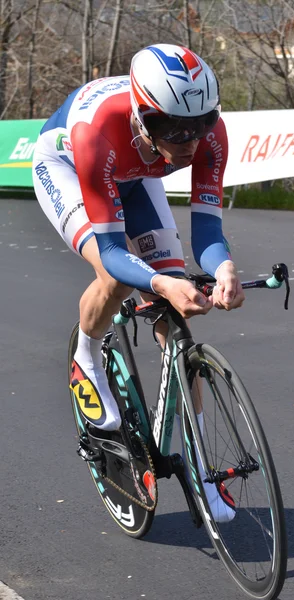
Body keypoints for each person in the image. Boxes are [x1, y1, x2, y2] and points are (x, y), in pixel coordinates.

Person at [32, 43, 245, 522]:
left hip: (135, 171)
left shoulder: (208, 135)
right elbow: (110, 249)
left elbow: (207, 231)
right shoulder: (96, 132)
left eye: (202, 124)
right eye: (174, 128)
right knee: (117, 273)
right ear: (143, 116)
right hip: (69, 168)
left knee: (177, 319)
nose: (191, 142)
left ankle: (197, 466)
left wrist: (223, 267)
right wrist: (162, 282)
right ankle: (87, 357)